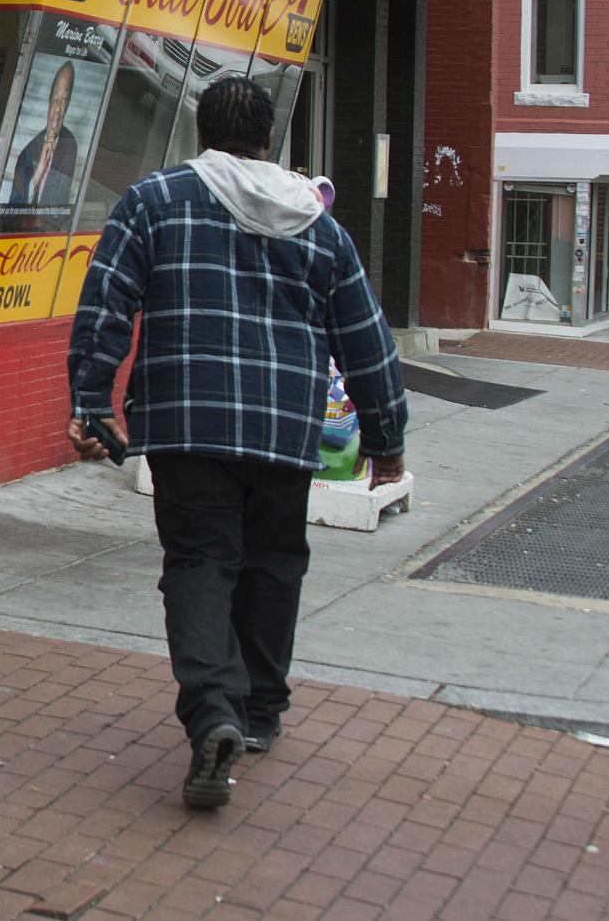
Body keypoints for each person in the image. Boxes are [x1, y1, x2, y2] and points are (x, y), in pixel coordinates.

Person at [66, 74, 405, 811]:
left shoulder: (154, 201)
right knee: (273, 564)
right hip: (284, 430)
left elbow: (106, 302)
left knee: (198, 564)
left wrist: (92, 402)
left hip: (186, 424)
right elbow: (365, 338)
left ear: (201, 131)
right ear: (270, 139)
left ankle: (212, 709)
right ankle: (258, 712)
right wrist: (386, 440)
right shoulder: (318, 224)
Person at [3, 58, 82, 212]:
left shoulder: (69, 144)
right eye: (55, 99)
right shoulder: (26, 154)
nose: (58, 109)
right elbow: (11, 210)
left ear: (69, 103)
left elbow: (61, 205)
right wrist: (37, 176)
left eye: (64, 100)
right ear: (48, 101)